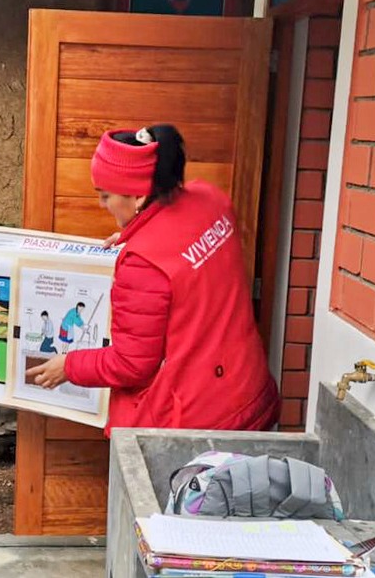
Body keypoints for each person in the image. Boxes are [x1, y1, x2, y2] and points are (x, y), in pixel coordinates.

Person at [26, 125, 280, 435]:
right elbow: (187, 251)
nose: (102, 205)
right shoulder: (211, 199)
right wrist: (135, 236)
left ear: (138, 195)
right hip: (248, 391)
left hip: (199, 425)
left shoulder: (143, 264)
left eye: (106, 195)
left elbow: (132, 364)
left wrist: (69, 366)